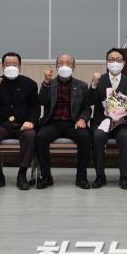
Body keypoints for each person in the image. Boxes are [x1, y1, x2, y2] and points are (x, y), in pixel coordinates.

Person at [0, 52, 40, 191]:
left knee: (31, 135)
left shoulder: (29, 84)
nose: (11, 66)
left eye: (15, 64)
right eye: (7, 64)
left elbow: (35, 107)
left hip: (22, 125)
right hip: (1, 124)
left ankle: (22, 174)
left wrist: (31, 121)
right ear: (2, 66)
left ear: (20, 66)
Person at [35, 54, 93, 190]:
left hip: (73, 123)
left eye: (68, 63)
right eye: (61, 63)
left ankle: (81, 177)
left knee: (85, 137)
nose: (64, 65)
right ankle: (46, 176)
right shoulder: (49, 84)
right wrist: (46, 83)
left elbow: (86, 108)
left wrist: (82, 119)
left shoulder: (82, 85)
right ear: (56, 66)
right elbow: (41, 101)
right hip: (52, 123)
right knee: (40, 137)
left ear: (73, 67)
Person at [89, 48, 127, 190]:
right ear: (106, 62)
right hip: (102, 122)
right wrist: (93, 85)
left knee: (125, 137)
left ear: (123, 63)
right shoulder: (100, 80)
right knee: (97, 136)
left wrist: (123, 119)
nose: (115, 62)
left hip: (123, 124)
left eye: (118, 59)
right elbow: (89, 101)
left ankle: (124, 176)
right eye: (111, 59)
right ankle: (100, 176)